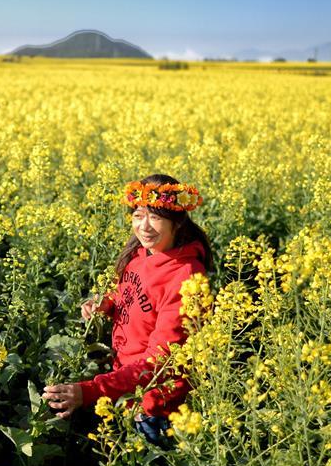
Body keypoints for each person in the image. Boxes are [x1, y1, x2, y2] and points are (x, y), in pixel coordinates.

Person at [42, 174, 213, 445]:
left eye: (155, 217)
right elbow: (130, 294)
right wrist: (106, 304)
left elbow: (161, 363)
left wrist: (89, 392)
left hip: (155, 407)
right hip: (122, 387)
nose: (144, 226)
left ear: (177, 222)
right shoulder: (140, 253)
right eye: (138, 215)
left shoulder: (187, 278)